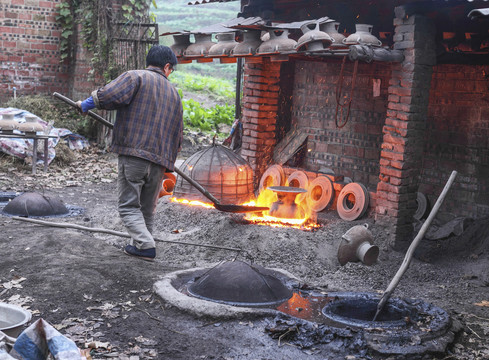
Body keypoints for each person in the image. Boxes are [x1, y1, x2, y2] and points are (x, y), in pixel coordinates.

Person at [76, 45, 183, 261]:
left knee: (127, 207)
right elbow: (178, 133)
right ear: (167, 66)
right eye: (172, 70)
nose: (170, 74)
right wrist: (168, 165)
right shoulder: (174, 93)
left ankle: (145, 246)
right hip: (160, 161)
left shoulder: (135, 77)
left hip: (134, 155)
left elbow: (109, 95)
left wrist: (85, 105)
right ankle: (142, 245)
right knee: (147, 209)